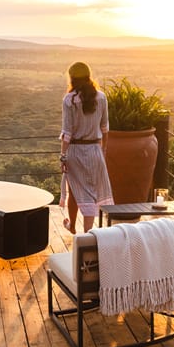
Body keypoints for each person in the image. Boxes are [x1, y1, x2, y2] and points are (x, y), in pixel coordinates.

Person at [59, 61, 113, 233]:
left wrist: (62, 155)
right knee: (91, 191)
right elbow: (105, 129)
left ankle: (73, 226)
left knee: (74, 189)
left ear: (72, 78)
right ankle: (88, 232)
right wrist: (103, 151)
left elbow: (67, 133)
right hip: (95, 151)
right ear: (89, 76)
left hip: (75, 151)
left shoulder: (70, 100)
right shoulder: (101, 97)